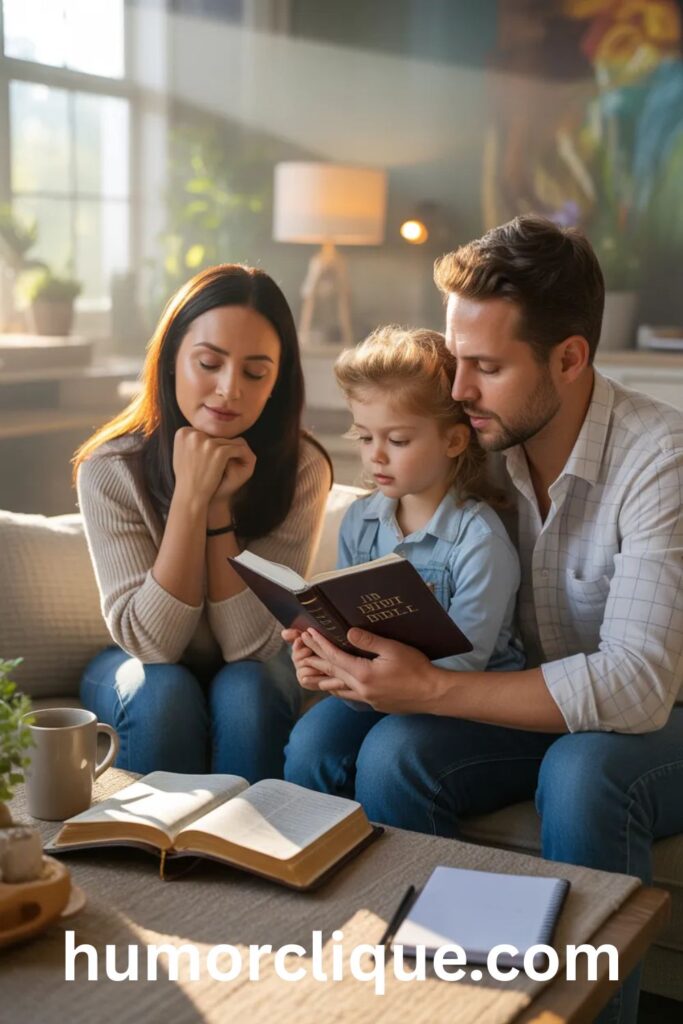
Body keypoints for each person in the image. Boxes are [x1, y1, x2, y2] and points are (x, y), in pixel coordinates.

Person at [285, 217, 683, 1024]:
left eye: (487, 367)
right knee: (392, 753)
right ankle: (429, 1001)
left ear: (568, 358)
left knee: (581, 776)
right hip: (523, 696)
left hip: (662, 717)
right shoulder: (473, 444)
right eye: (455, 357)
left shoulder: (658, 457)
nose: (458, 389)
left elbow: (638, 685)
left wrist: (430, 689)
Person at [74, 264, 331, 781]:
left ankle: (249, 834)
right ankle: (157, 834)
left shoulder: (303, 468)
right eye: (209, 363)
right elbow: (153, 646)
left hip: (254, 665)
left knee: (248, 692)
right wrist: (191, 493)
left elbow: (250, 646)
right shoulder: (109, 468)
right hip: (137, 660)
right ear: (171, 360)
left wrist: (218, 510)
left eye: (255, 373)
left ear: (277, 382)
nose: (229, 389)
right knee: (163, 693)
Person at [285, 325, 525, 791]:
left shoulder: (480, 542)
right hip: (377, 688)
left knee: (390, 751)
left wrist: (367, 680)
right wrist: (323, 659)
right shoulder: (361, 521)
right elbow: (347, 626)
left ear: (453, 442)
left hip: (467, 703)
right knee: (310, 745)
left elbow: (465, 666)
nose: (376, 457)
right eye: (364, 437)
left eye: (397, 441)